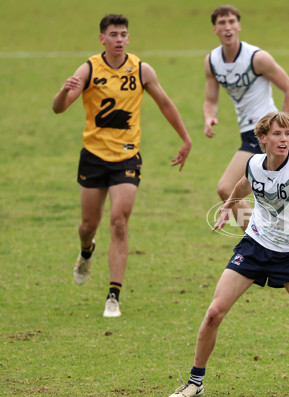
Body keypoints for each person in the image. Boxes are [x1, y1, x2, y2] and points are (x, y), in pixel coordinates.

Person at [166, 112, 289, 397]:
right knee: (213, 313)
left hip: (288, 255)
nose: (284, 139)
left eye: (287, 134)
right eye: (277, 134)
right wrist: (229, 205)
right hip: (254, 247)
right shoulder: (254, 164)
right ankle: (195, 382)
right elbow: (243, 185)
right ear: (262, 139)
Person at [52, 14, 192, 318]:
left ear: (128, 38)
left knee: (119, 221)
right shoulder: (88, 69)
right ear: (102, 39)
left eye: (123, 34)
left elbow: (165, 104)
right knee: (89, 225)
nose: (119, 39)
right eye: (113, 34)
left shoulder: (141, 69)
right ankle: (86, 251)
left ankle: (113, 296)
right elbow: (59, 108)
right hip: (93, 156)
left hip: (127, 157)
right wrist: (64, 90)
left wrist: (185, 138)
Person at [203, 5, 289, 282]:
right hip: (248, 135)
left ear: (239, 26)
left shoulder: (257, 58)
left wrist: (282, 129)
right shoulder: (212, 62)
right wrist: (209, 117)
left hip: (264, 135)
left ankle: (258, 247)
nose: (227, 26)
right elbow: (211, 99)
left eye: (232, 21)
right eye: (222, 22)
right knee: (281, 206)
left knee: (226, 187)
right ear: (215, 29)